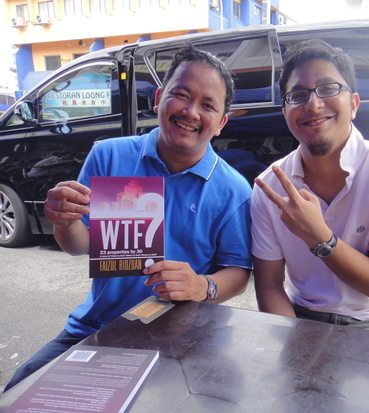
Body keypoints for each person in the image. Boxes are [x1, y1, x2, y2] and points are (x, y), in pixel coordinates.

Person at [4, 44, 252, 391]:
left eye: (208, 105)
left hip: (182, 340)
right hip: (97, 329)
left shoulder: (233, 190)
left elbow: (238, 270)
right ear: (159, 99)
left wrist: (203, 286)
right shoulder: (109, 156)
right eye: (181, 95)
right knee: (19, 392)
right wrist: (64, 220)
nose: (191, 112)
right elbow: (80, 245)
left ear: (221, 122)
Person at [251, 39, 369, 337]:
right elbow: (269, 285)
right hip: (301, 317)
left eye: (328, 88)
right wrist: (290, 342)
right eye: (298, 95)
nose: (313, 104)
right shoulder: (268, 186)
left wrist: (319, 237)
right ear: (285, 112)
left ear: (354, 104)